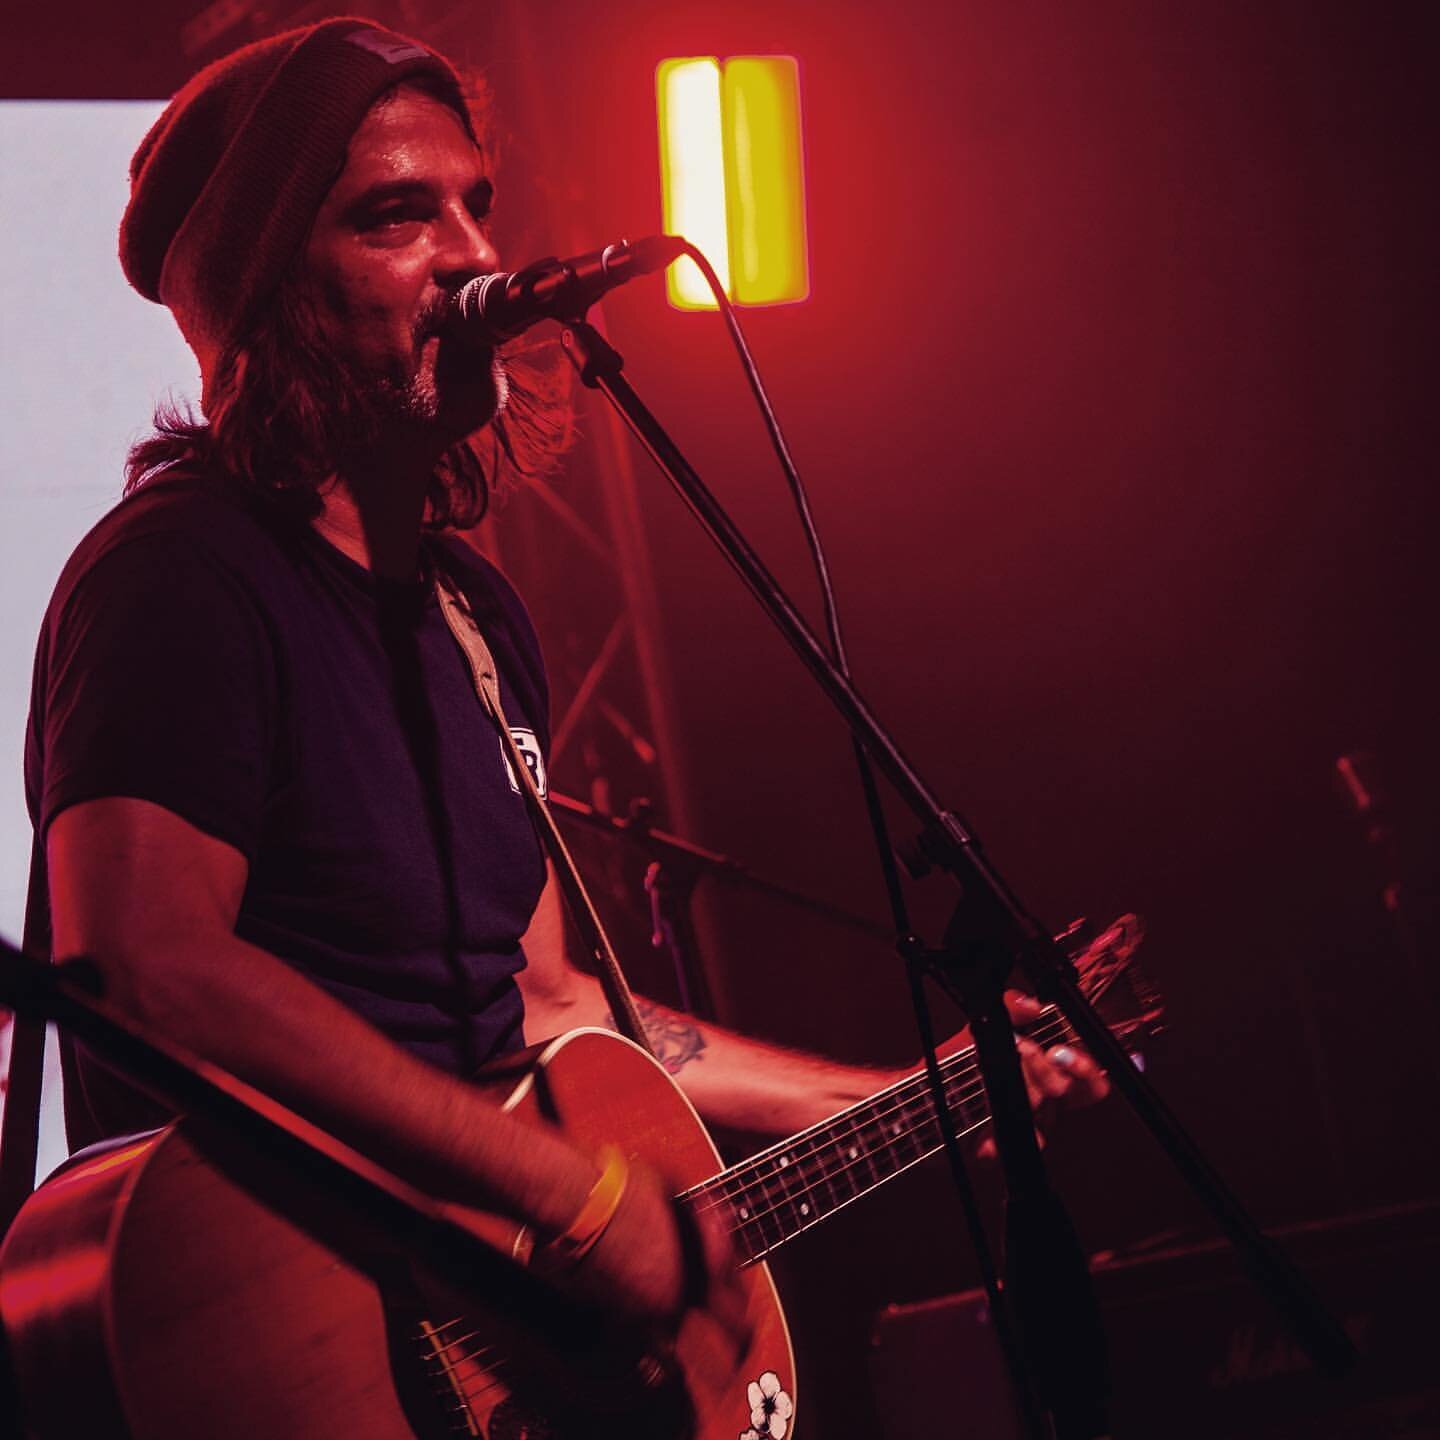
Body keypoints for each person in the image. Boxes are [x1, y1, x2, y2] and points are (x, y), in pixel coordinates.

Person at [24, 16, 1104, 1337]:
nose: (477, 254)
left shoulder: (472, 618)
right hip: (281, 1328)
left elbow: (541, 999)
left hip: (479, 1325)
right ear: (265, 286)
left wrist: (894, 1097)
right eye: (395, 215)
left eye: (478, 204)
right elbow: (145, 967)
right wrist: (571, 1193)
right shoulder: (180, 575)